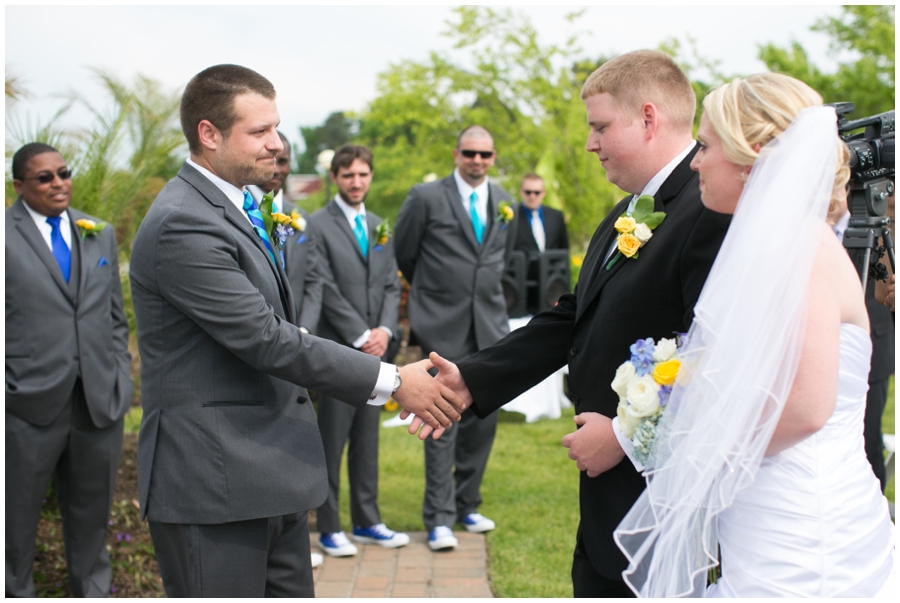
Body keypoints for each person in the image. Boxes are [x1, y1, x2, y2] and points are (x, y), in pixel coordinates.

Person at [129, 64, 464, 597]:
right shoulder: (182, 222)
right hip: (213, 483)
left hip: (271, 475)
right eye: (258, 131)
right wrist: (395, 382)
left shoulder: (238, 207)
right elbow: (266, 337)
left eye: (276, 127)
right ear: (208, 134)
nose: (276, 143)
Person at [413, 50, 732, 595]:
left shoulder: (708, 209)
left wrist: (628, 438)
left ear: (648, 119)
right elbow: (573, 317)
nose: (590, 143)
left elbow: (713, 355)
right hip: (607, 494)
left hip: (659, 493)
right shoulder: (629, 209)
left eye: (601, 126)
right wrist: (474, 378)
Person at [614, 73, 894, 597]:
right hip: (765, 517)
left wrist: (690, 441)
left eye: (705, 146)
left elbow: (807, 410)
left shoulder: (802, 247)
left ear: (754, 155)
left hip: (804, 534)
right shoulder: (777, 245)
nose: (695, 161)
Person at [6, 143, 133, 597]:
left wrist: (120, 373)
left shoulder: (96, 232)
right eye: (44, 177)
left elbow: (115, 318)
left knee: (91, 521)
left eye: (63, 173)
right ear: (19, 186)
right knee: (14, 528)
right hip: (25, 407)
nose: (58, 182)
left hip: (98, 403)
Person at [394, 125, 515, 551]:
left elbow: (501, 260)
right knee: (439, 421)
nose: (477, 160)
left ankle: (468, 504)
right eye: (470, 152)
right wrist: (432, 299)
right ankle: (439, 518)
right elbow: (404, 253)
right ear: (456, 153)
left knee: (484, 420)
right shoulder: (425, 198)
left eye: (485, 154)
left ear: (493, 156)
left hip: (490, 329)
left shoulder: (505, 203)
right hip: (441, 328)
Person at [308, 144, 409, 557]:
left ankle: (367, 521)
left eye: (363, 174)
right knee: (332, 441)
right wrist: (359, 334)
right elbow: (322, 283)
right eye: (348, 175)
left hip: (377, 353)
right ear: (335, 178)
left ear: (370, 177)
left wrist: (384, 331)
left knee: (368, 440)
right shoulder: (315, 224)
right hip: (339, 349)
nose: (356, 182)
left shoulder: (378, 224)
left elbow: (389, 283)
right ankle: (330, 528)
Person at [828, 194, 894, 490]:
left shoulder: (880, 206)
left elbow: (883, 291)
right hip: (819, 344)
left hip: (871, 345)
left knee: (867, 444)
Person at [246, 131, 322, 335]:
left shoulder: (302, 217)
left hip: (300, 337)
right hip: (257, 335)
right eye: (271, 160)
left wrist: (304, 330)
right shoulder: (240, 211)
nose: (277, 169)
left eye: (284, 161)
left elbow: (314, 279)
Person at [513, 173, 570, 314]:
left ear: (543, 193)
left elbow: (564, 249)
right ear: (521, 191)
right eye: (528, 192)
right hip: (519, 290)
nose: (532, 196)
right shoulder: (511, 217)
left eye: (536, 192)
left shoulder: (556, 216)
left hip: (551, 289)